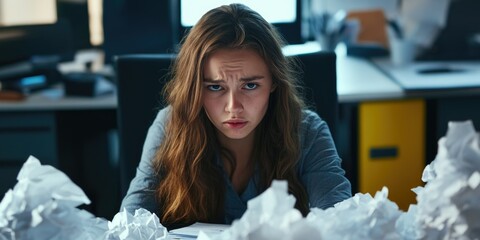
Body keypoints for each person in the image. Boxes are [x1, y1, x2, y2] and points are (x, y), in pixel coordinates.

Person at [121, 3, 351, 229]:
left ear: (274, 82)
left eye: (250, 85)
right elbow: (130, 226)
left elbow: (342, 225)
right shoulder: (170, 127)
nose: (233, 107)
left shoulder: (308, 132)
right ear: (195, 88)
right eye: (215, 87)